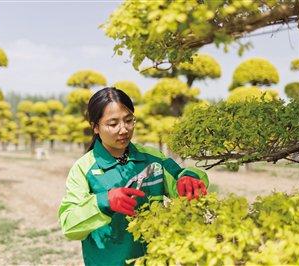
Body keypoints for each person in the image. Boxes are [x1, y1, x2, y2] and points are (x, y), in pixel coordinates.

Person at [58, 87, 209, 266]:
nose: (124, 130)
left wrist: (189, 178)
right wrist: (103, 202)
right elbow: (69, 225)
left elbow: (181, 176)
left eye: (129, 120)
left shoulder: (153, 159)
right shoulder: (84, 168)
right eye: (113, 124)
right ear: (95, 127)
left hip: (155, 259)